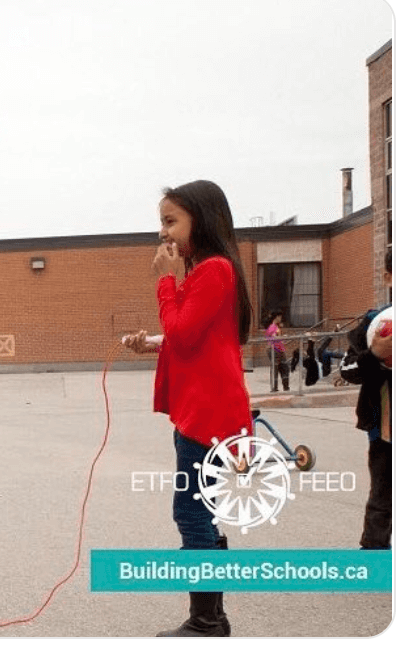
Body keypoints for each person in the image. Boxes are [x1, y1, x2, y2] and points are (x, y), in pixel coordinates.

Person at [124, 179, 253, 637]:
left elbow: (184, 332)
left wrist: (165, 280)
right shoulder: (209, 272)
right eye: (161, 221)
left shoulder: (214, 270)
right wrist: (152, 344)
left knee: (191, 512)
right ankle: (212, 617)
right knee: (203, 511)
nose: (163, 233)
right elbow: (193, 337)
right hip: (203, 410)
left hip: (208, 415)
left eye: (170, 221)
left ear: (203, 219)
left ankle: (205, 622)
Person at [340, 250, 392, 550]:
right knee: (382, 498)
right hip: (385, 434)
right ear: (387, 277)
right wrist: (374, 354)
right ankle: (375, 557)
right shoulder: (375, 323)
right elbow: (347, 370)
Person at [266, 312, 290, 391]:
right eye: (279, 317)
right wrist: (280, 337)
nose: (280, 319)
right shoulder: (273, 327)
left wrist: (282, 338)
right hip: (275, 350)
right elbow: (274, 337)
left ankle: (282, 387)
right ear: (276, 317)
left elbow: (276, 338)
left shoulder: (275, 326)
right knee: (278, 368)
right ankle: (276, 387)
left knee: (282, 367)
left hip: (278, 349)